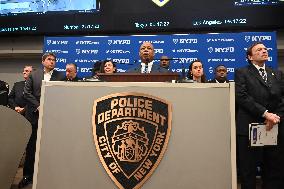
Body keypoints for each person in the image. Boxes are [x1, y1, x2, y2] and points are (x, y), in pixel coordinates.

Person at [235, 42, 284, 189]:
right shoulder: (241, 72)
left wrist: (275, 117)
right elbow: (242, 96)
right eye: (259, 50)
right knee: (248, 172)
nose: (264, 51)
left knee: (274, 171)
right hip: (250, 128)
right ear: (250, 57)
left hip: (274, 127)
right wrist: (265, 114)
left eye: (265, 49)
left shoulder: (277, 73)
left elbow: (282, 98)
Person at [19, 52, 64, 188]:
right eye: (49, 59)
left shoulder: (60, 76)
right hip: (34, 116)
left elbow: (62, 95)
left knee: (50, 147)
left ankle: (50, 175)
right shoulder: (34, 75)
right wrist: (38, 106)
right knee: (31, 147)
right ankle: (27, 176)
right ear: (43, 61)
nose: (52, 62)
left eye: (54, 60)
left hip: (53, 118)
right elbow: (27, 93)